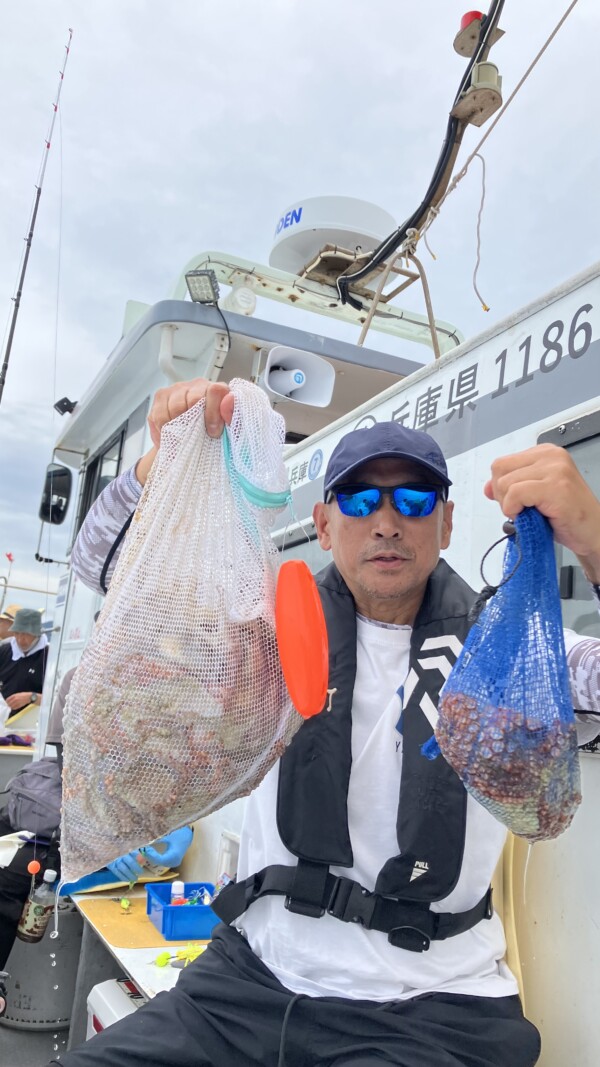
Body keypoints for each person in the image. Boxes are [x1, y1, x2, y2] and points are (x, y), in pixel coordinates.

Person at [50, 379, 600, 1067]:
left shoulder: (510, 656)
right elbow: (100, 566)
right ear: (324, 520)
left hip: (432, 1009)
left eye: (415, 499)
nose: (387, 521)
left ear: (449, 522)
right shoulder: (265, 637)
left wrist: (596, 541)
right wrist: (156, 469)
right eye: (362, 499)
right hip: (247, 983)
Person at [0, 664, 193, 1016]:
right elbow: (75, 777)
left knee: (14, 874)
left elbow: (175, 779)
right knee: (13, 869)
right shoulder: (81, 679)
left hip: (134, 827)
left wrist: (177, 827)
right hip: (82, 820)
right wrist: (106, 837)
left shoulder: (174, 693)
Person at [0, 607, 48, 715]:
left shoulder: (49, 656)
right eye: (17, 633)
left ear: (37, 633)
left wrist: (31, 697)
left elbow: (56, 699)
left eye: (26, 633)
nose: (20, 639)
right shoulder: (4, 651)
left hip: (32, 725)